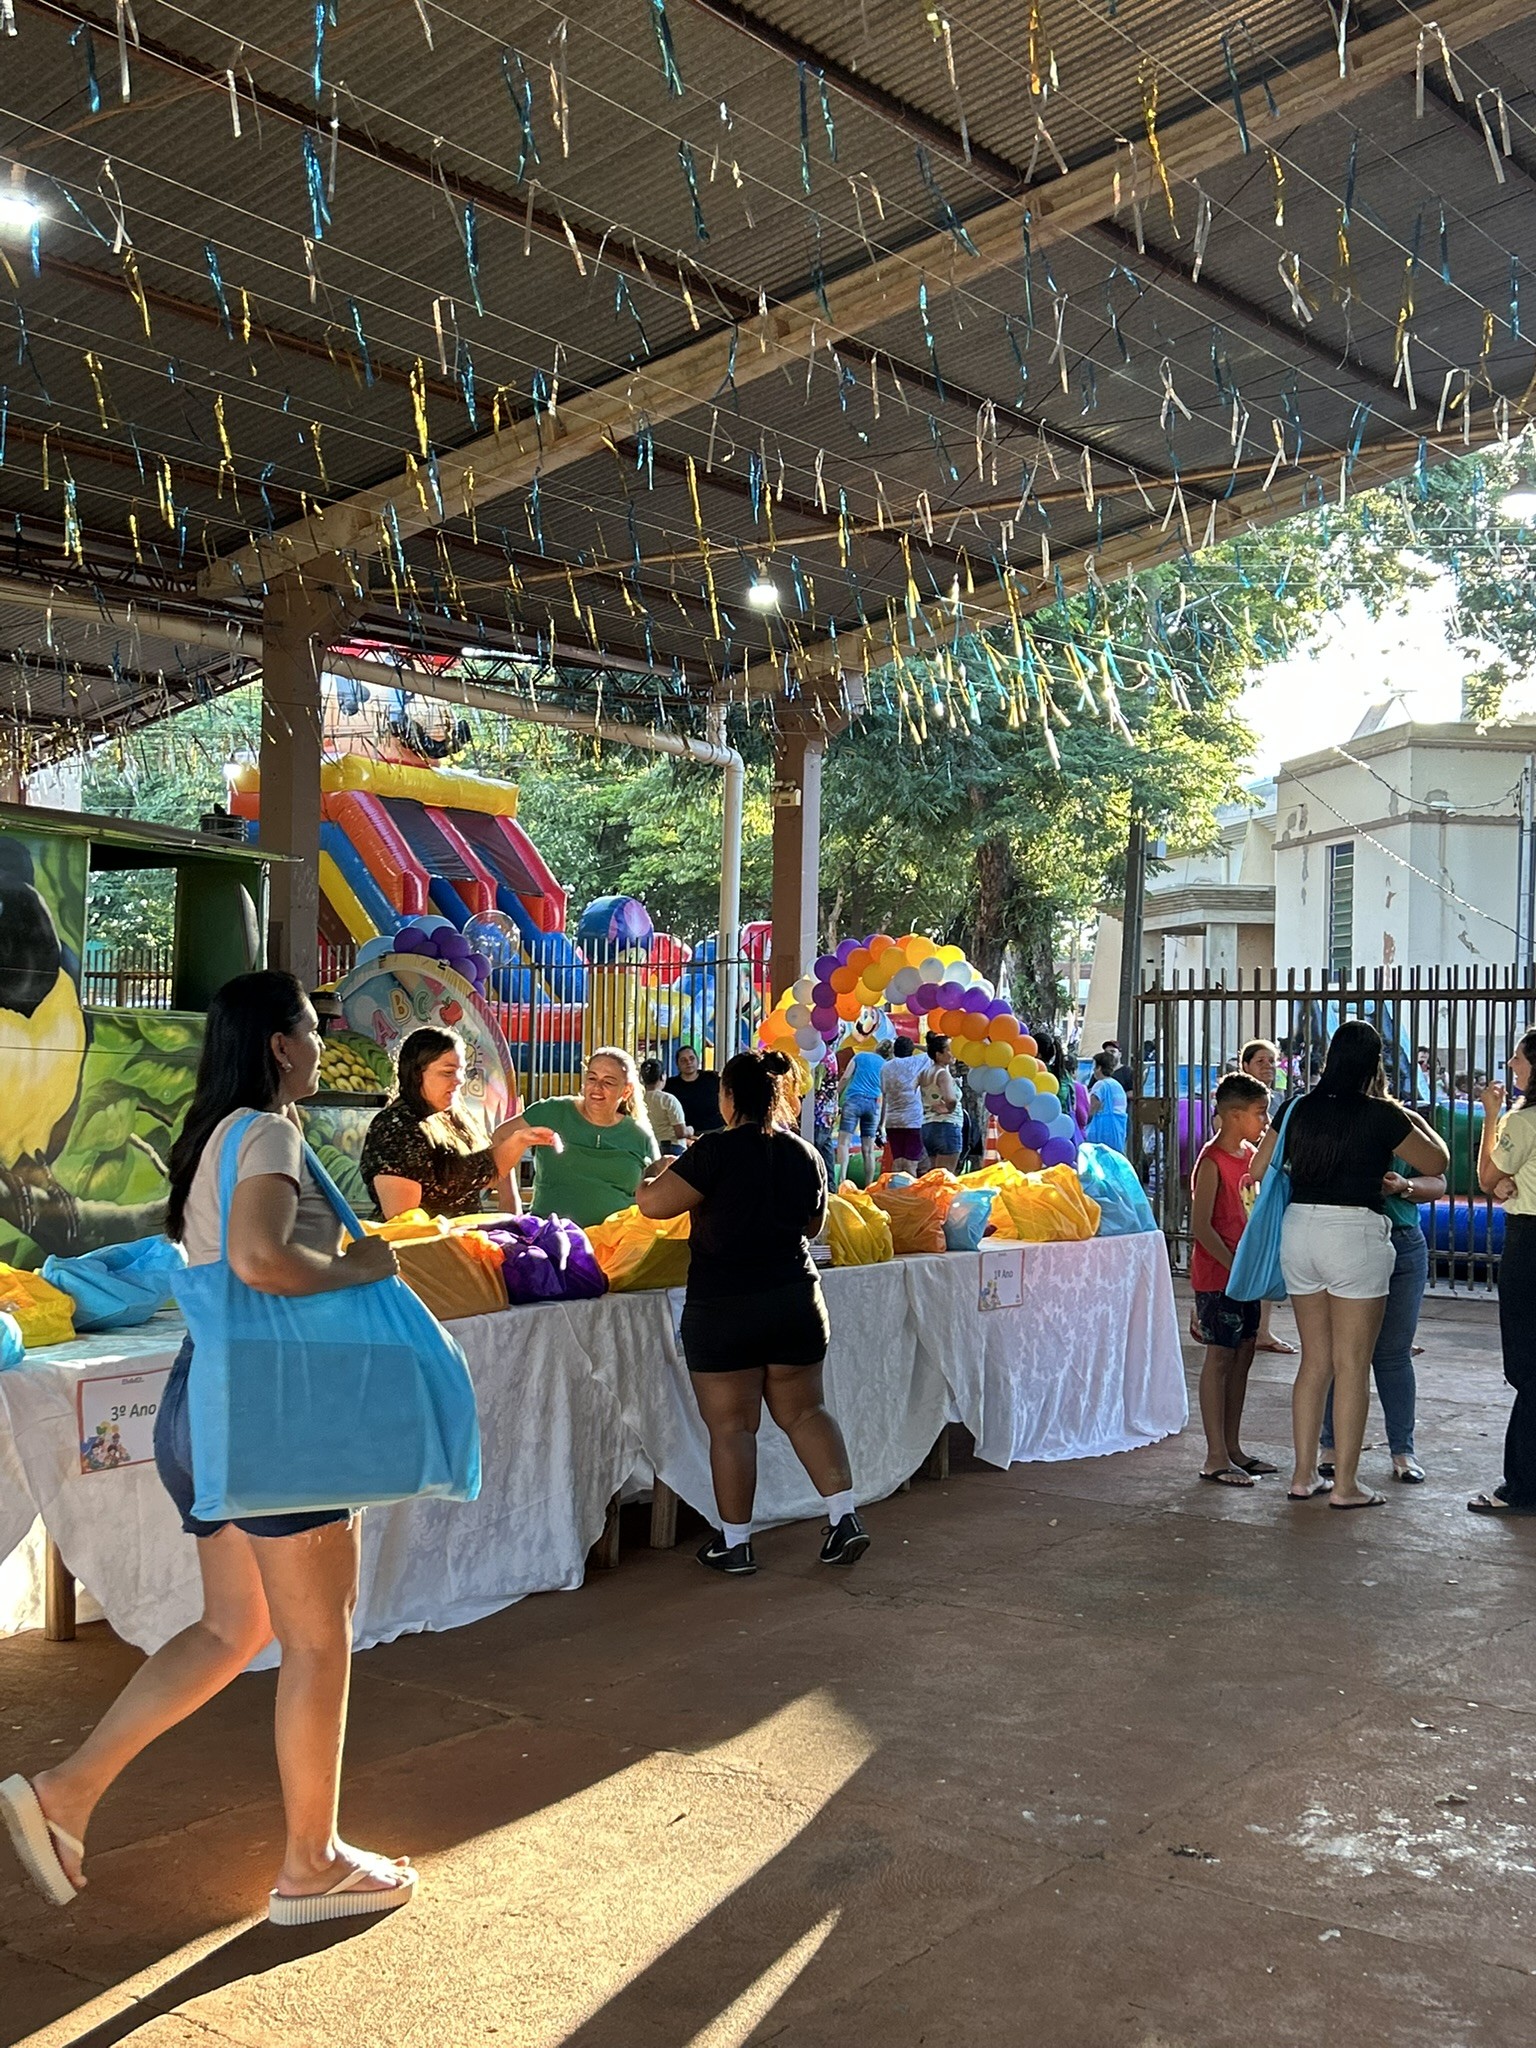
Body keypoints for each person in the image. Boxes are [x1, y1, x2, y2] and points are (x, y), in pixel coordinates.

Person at [0, 972, 415, 1922]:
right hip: (277, 1406)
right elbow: (262, 1262)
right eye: (311, 1029)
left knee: (235, 1629)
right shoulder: (269, 1133)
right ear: (279, 1044)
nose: (322, 1044)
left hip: (210, 1395)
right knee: (319, 1640)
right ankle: (311, 1864)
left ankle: (66, 1792)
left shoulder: (214, 1136)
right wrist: (359, 1265)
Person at [635, 1048, 868, 1575]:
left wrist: (652, 1174)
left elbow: (654, 1206)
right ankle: (844, 1517)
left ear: (729, 1096)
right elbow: (813, 1226)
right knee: (807, 1413)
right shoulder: (805, 1153)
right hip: (795, 1300)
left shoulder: (713, 1149)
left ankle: (736, 1544)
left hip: (724, 1306)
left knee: (732, 1429)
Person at [1248, 1020, 1449, 1510]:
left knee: (1314, 1362)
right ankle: (1346, 1486)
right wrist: (1405, 1119)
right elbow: (1437, 1162)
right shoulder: (1382, 1114)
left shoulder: (1296, 1106)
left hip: (1300, 1230)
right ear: (1375, 1064)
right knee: (1353, 1365)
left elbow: (1257, 1168)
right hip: (1355, 1234)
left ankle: (1303, 1476)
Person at [1318, 1120, 1444, 1485]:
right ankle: (1331, 1445)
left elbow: (1437, 1179)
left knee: (1393, 1352)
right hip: (1349, 1239)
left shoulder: (1404, 1122)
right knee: (1342, 1350)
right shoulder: (1333, 1120)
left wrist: (1405, 1186)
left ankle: (1402, 1450)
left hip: (1402, 1239)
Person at [362, 1027, 559, 1219]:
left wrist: (520, 1140)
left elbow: (486, 1172)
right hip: (425, 1240)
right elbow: (404, 1222)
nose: (459, 1080)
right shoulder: (395, 1128)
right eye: (448, 1072)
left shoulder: (454, 1116)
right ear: (416, 1074)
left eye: (461, 1070)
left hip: (463, 1237)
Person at [1190, 1074, 1274, 1486]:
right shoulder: (1211, 1161)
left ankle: (1233, 1447)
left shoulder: (1251, 1156)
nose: (1265, 1121)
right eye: (1260, 1113)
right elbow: (1201, 1226)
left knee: (1243, 1355)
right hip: (1217, 1278)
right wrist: (1232, 1265)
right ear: (1235, 1115)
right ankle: (1215, 1456)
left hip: (1245, 1276)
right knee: (1220, 1357)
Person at [1469, 1031, 1536, 1513]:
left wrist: (1492, 1115)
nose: (1512, 1064)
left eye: (1518, 1057)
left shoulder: (1523, 1120)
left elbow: (1488, 1177)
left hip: (1529, 1239)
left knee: (1527, 1368)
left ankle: (1522, 1487)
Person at [504, 1048, 658, 1229]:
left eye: (608, 1082)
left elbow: (656, 1191)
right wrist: (509, 1200)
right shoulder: (552, 1112)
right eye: (592, 1078)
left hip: (618, 1240)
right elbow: (501, 1137)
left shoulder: (640, 1135)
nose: (597, 1087)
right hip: (551, 1238)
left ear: (626, 1091)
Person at [1239, 1039, 1295, 1358]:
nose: (1268, 1067)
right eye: (1261, 1061)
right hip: (1247, 1182)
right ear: (1245, 1065)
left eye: (1272, 1061)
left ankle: (1261, 1328)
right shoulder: (1237, 1100)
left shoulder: (1275, 1100)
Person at [835, 1038, 885, 1187]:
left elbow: (845, 1077)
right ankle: (869, 1185)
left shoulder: (860, 1056)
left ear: (876, 1048)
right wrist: (882, 1123)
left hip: (854, 1101)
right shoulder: (886, 1065)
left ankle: (842, 1181)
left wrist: (836, 1095)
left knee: (843, 1143)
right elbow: (885, 1092)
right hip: (873, 1104)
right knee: (868, 1150)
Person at [880, 1033, 929, 1170]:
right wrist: (916, 1045)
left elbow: (884, 1092)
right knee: (911, 1163)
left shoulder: (886, 1067)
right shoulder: (917, 1062)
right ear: (911, 1050)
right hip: (913, 1120)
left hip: (892, 1121)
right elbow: (932, 1051)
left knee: (897, 1161)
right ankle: (909, 1185)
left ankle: (896, 1184)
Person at [919, 1033, 963, 1171]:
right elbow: (950, 1099)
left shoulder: (925, 1073)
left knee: (934, 1175)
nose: (953, 1053)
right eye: (949, 1049)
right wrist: (949, 1108)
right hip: (947, 1126)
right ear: (939, 1054)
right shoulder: (943, 1074)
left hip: (928, 1126)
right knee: (946, 1176)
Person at [668, 1045, 725, 1137]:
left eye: (692, 1058)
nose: (688, 1062)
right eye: (683, 1060)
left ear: (698, 1060)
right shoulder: (670, 1085)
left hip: (717, 1131)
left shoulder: (712, 1078)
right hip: (685, 1134)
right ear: (677, 1064)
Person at [639, 1058, 689, 1156]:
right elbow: (681, 1133)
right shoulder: (668, 1099)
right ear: (662, 1076)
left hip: (648, 1149)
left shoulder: (638, 1099)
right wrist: (690, 1130)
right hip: (671, 1148)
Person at [1085, 1051, 1129, 1152]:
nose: (1093, 1070)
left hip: (1103, 1132)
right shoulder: (1117, 1085)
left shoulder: (1100, 1085)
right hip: (1118, 1132)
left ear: (1099, 1067)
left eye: (1095, 1067)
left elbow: (1091, 1109)